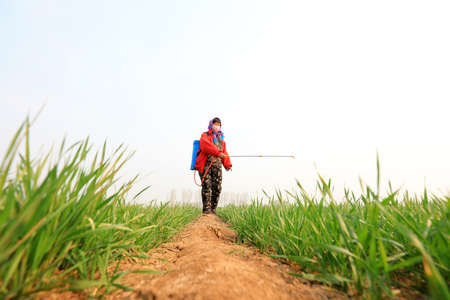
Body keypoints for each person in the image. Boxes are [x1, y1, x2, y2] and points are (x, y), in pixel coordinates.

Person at [195, 117, 232, 214]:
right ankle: (206, 210)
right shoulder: (205, 135)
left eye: (219, 125)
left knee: (217, 187)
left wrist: (228, 164)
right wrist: (217, 153)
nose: (217, 126)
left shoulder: (221, 140)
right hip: (205, 165)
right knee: (207, 186)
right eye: (215, 124)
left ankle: (213, 209)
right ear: (211, 125)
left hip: (217, 166)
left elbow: (224, 153)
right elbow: (205, 146)